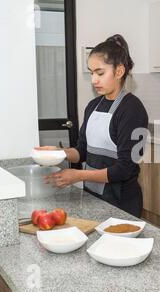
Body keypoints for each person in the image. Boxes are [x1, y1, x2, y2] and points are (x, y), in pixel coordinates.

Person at [38, 34, 148, 217]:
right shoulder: (93, 106)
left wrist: (78, 175)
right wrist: (58, 153)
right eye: (91, 73)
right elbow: (83, 151)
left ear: (119, 71)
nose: (94, 80)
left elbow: (125, 169)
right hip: (93, 197)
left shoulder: (132, 110)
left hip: (121, 203)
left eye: (100, 73)